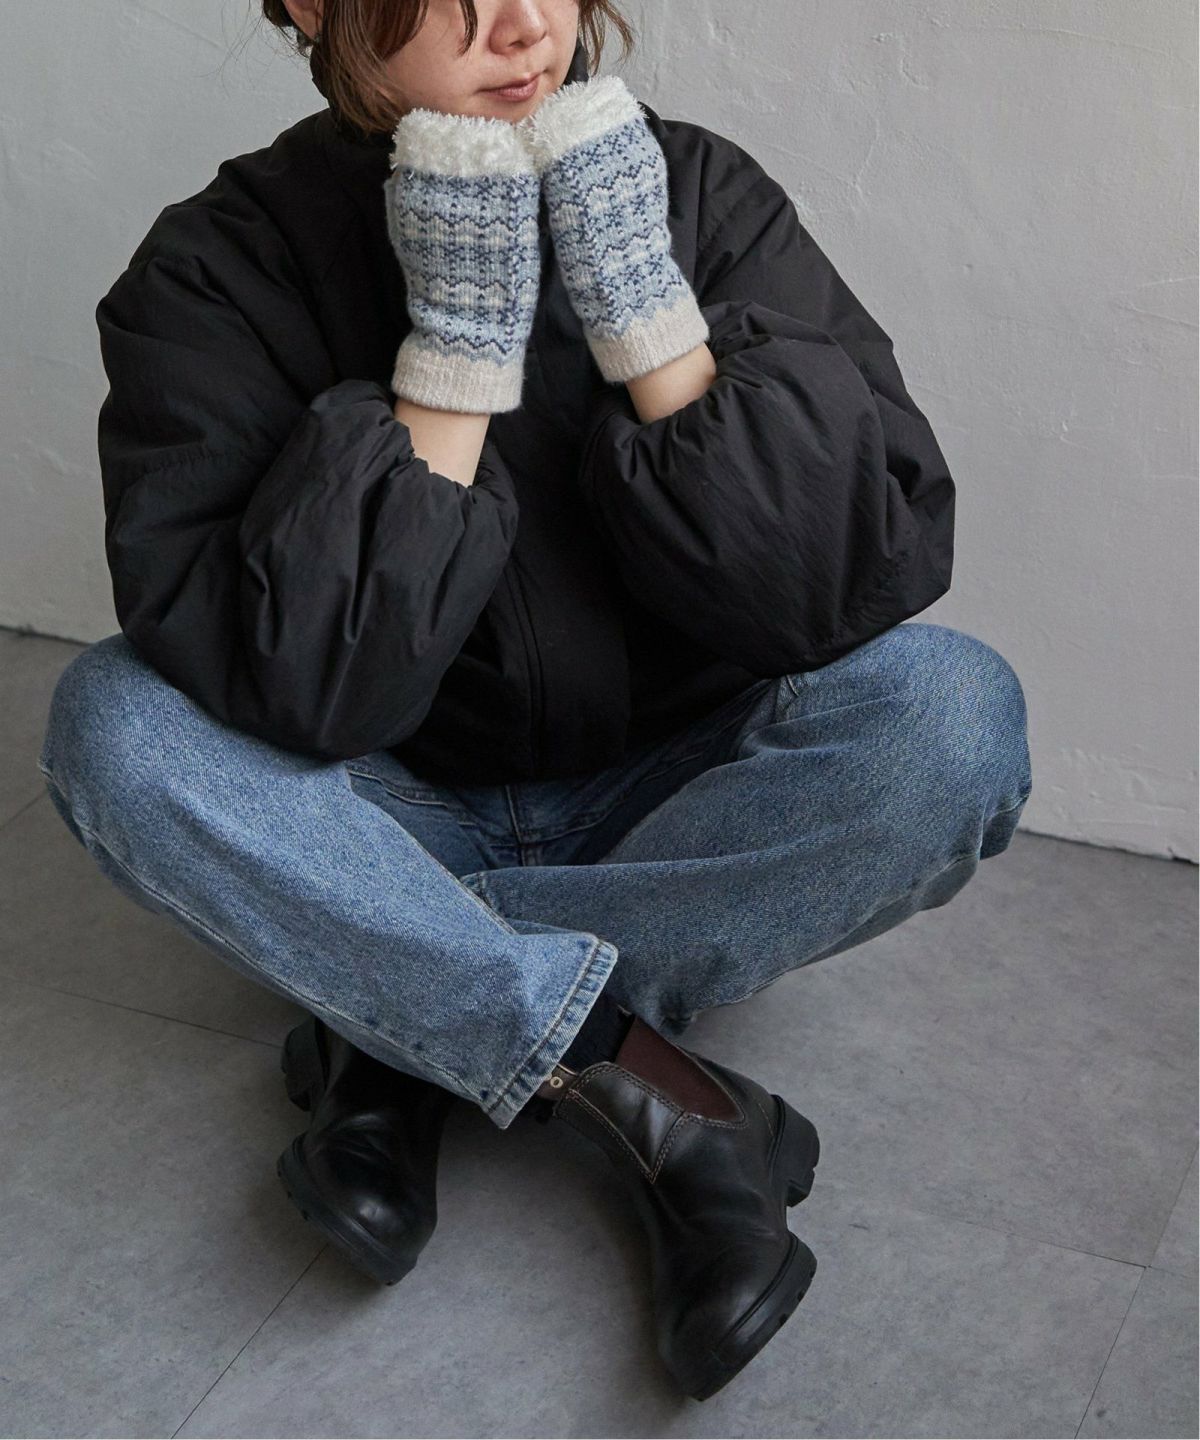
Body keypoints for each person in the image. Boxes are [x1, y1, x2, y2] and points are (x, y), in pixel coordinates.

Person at [37, 0, 1033, 1403]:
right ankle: (659, 1092)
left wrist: (649, 320)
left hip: (676, 793)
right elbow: (308, 689)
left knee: (954, 716)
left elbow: (832, 598)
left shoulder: (697, 191)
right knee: (114, 730)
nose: (522, 25)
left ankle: (399, 1019)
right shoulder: (215, 266)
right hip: (388, 803)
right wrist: (452, 354)